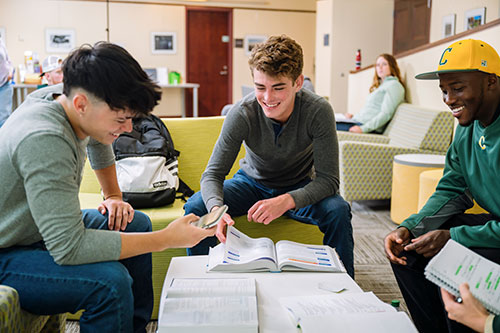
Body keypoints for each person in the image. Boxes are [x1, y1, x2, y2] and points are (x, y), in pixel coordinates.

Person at [0, 42, 215, 332]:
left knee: (135, 222)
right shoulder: (44, 139)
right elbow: (69, 248)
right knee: (110, 283)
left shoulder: (60, 98)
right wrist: (167, 238)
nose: (128, 129)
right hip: (9, 250)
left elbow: (100, 141)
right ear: (81, 105)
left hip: (34, 230)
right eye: (121, 119)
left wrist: (113, 196)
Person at [184, 35, 354, 277]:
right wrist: (216, 210)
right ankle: (202, 283)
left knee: (338, 210)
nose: (267, 98)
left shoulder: (318, 111)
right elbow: (213, 173)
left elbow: (329, 181)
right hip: (251, 184)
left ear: (298, 82)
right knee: (196, 206)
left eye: (278, 88)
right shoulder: (242, 112)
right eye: (260, 87)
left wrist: (287, 200)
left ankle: (347, 290)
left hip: (300, 185)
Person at [384, 39, 500, 333]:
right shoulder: (466, 127)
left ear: (491, 82)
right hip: (495, 225)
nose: (448, 99)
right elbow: (452, 190)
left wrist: (454, 237)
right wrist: (410, 227)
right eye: (444, 90)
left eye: (458, 88)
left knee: (455, 264)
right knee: (407, 252)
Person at [337, 53, 405, 133]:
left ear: (392, 66)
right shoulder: (381, 86)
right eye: (377, 65)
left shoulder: (394, 86)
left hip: (364, 126)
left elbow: (386, 113)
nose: (380, 67)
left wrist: (363, 129)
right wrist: (353, 117)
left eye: (384, 64)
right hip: (356, 121)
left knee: (323, 125)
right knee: (324, 121)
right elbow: (371, 110)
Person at [0, 39, 13, 128]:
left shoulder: (1, 42)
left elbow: (8, 60)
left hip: (4, 84)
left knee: (4, 120)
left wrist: (10, 72)